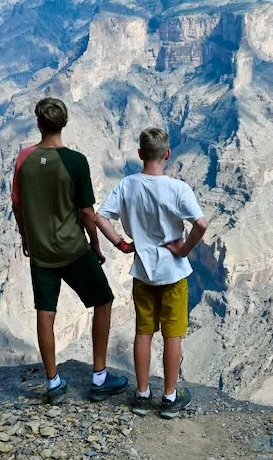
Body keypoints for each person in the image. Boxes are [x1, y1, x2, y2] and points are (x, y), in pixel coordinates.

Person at [11, 97, 129, 404]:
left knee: (45, 313)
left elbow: (17, 204)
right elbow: (87, 213)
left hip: (40, 252)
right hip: (73, 250)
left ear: (39, 123)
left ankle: (53, 383)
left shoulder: (24, 158)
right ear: (64, 123)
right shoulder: (75, 161)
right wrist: (95, 244)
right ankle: (99, 378)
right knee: (103, 301)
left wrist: (26, 237)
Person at [95, 126, 208, 419]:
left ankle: (142, 395)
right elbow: (202, 225)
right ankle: (169, 398)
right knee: (173, 336)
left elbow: (99, 216)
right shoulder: (178, 189)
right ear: (167, 154)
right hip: (173, 274)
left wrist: (121, 243)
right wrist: (183, 250)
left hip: (143, 272)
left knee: (143, 332)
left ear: (140, 154)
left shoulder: (128, 185)